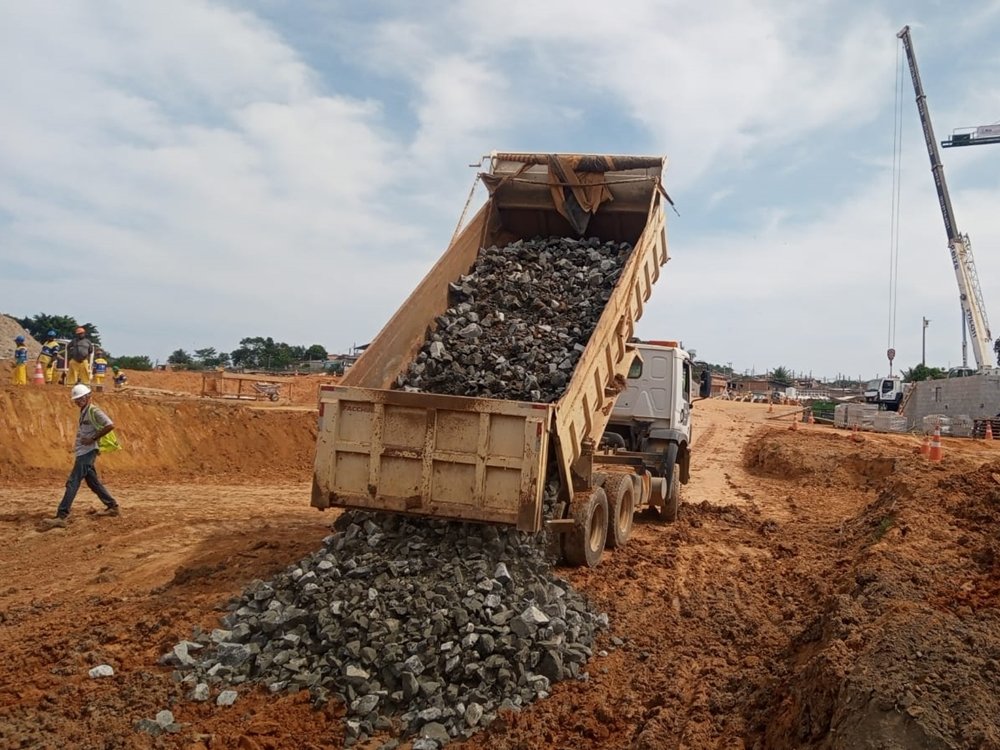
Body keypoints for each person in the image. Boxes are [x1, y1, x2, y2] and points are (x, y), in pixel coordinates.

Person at [40, 384, 121, 529]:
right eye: (76, 399)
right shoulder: (84, 411)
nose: (78, 401)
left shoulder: (93, 410)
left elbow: (109, 425)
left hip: (87, 452)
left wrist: (93, 439)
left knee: (73, 482)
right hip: (83, 451)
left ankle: (61, 516)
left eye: (81, 398)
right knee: (93, 482)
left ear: (88, 397)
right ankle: (112, 506)